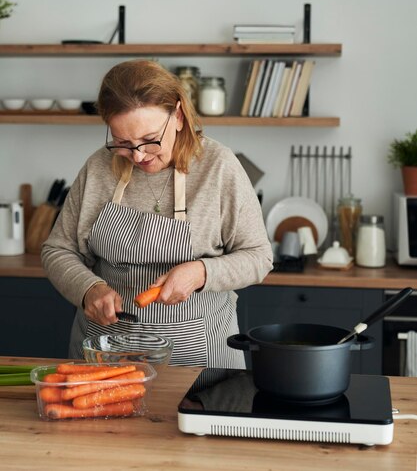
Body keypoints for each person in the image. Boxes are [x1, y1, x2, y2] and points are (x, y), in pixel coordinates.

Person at [42, 60, 273, 367]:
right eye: (123, 143)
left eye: (150, 140)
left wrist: (202, 273)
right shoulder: (98, 167)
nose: (138, 156)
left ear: (178, 115)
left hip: (197, 358)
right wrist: (88, 289)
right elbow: (58, 250)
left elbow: (259, 257)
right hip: (105, 353)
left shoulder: (218, 166)